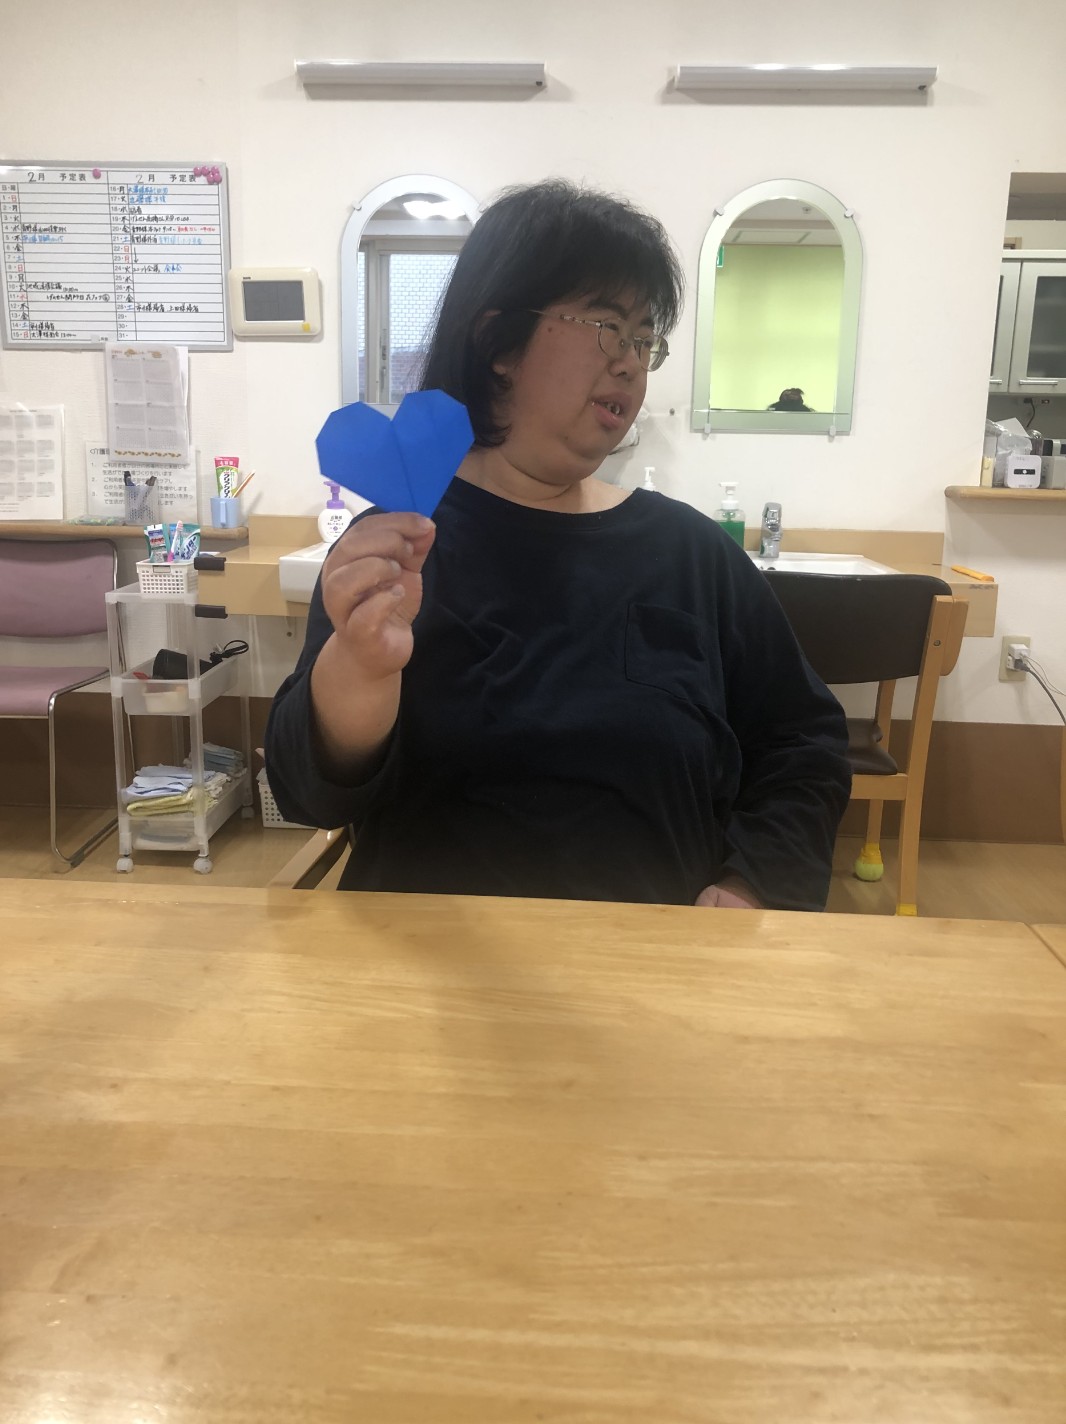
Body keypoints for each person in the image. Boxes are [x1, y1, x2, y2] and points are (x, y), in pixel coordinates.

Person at [266, 180, 850, 912]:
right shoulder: (397, 549)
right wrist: (358, 669)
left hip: (652, 959)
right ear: (498, 342)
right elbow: (308, 793)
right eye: (607, 325)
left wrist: (752, 884)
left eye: (645, 339)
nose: (631, 362)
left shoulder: (692, 554)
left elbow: (803, 741)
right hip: (423, 962)